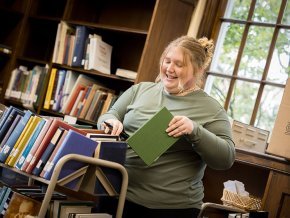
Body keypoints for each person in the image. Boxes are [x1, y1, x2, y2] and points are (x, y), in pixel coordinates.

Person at [97, 35, 235, 218]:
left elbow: (226, 158)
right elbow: (109, 115)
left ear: (198, 70)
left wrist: (194, 130)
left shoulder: (212, 109)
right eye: (167, 61)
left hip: (172, 209)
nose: (169, 68)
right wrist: (111, 121)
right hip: (114, 195)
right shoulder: (140, 90)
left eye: (179, 64)